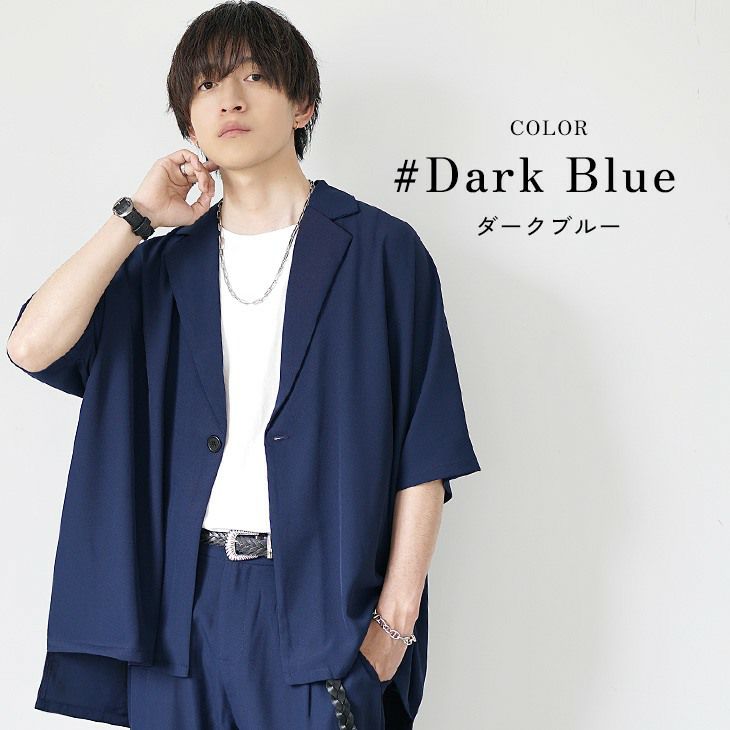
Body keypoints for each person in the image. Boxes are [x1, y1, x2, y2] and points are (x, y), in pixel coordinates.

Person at [6, 2, 480, 728]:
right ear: (188, 123)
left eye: (254, 76)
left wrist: (392, 626)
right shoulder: (157, 269)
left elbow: (426, 449)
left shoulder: (382, 253)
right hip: (177, 612)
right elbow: (30, 346)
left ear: (302, 104)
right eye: (205, 85)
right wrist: (137, 217)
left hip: (322, 611)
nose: (228, 98)